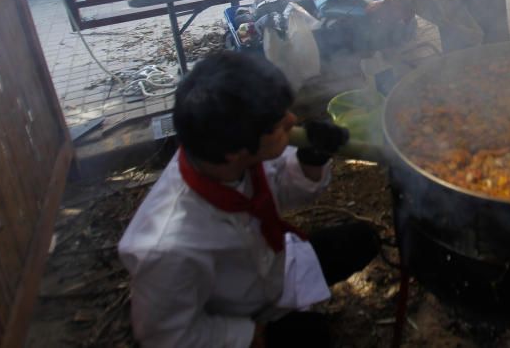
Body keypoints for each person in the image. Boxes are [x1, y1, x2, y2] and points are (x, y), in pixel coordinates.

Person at [118, 51, 379, 348]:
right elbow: (167, 336)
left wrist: (311, 159)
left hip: (275, 268)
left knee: (362, 239)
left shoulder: (228, 157)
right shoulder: (167, 248)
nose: (293, 121)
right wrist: (250, 336)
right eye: (278, 124)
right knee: (311, 335)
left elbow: (283, 186)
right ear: (235, 150)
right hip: (238, 314)